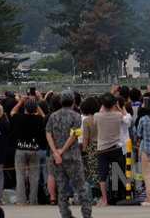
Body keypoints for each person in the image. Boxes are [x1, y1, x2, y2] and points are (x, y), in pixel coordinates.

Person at [46, 90, 93, 218]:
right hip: (72, 156)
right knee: (80, 186)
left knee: (61, 187)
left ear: (60, 102)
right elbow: (74, 134)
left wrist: (55, 151)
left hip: (57, 158)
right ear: (73, 102)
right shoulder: (76, 116)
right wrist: (63, 149)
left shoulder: (53, 116)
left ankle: (65, 214)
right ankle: (86, 213)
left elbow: (48, 134)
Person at [11, 93, 46, 206]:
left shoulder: (20, 117)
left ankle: (21, 200)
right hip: (34, 149)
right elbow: (43, 115)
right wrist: (35, 104)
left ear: (25, 108)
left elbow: (12, 112)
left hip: (21, 148)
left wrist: (20, 102)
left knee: (20, 175)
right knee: (34, 176)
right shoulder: (38, 119)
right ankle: (33, 200)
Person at [93, 92, 127, 204]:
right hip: (116, 146)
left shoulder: (97, 116)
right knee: (119, 171)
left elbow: (101, 111)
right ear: (113, 104)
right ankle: (120, 194)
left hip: (102, 148)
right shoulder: (118, 115)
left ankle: (104, 199)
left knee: (103, 174)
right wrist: (118, 107)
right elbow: (126, 116)